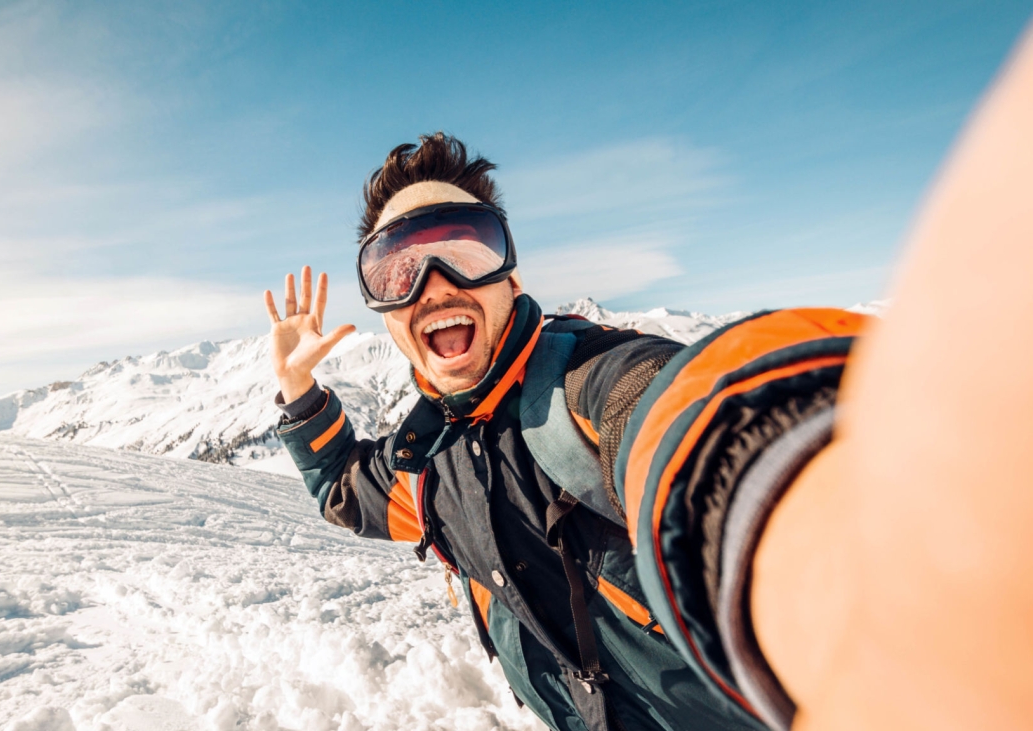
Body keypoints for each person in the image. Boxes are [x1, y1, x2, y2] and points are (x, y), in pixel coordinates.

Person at [263, 28, 1033, 731]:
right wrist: (299, 393)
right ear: (385, 309)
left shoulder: (585, 387)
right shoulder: (428, 464)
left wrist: (866, 566)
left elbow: (679, 419)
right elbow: (343, 489)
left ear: (511, 274)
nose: (431, 284)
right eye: (396, 269)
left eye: (464, 251)